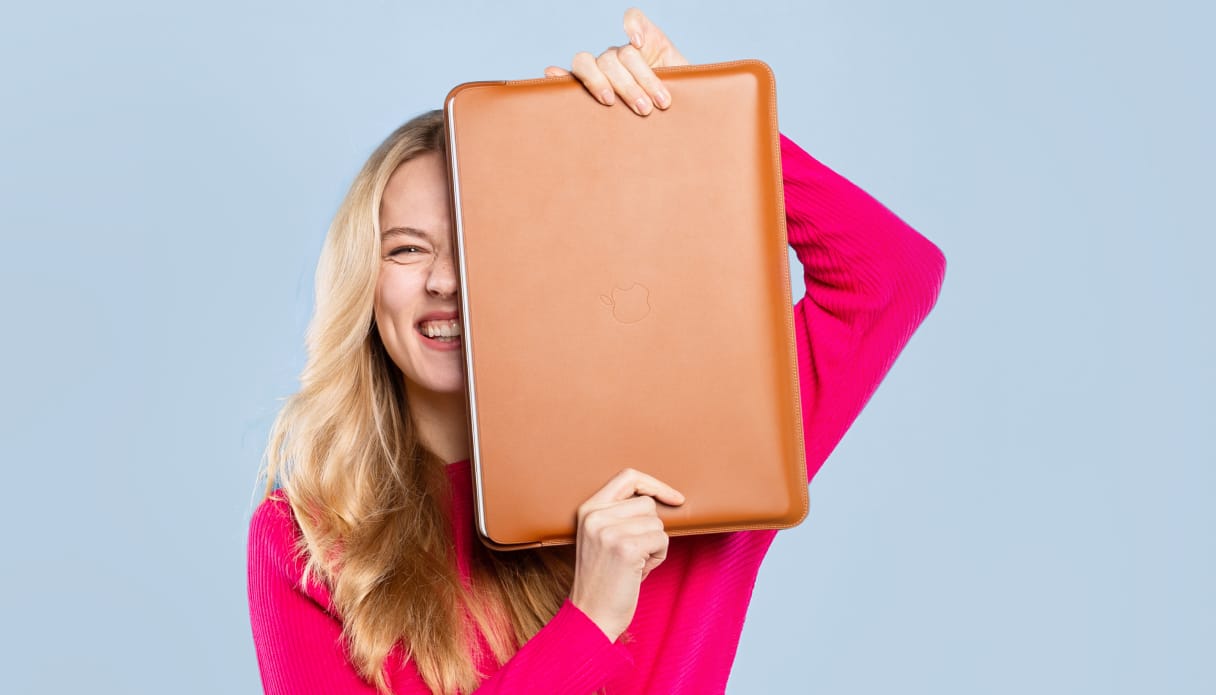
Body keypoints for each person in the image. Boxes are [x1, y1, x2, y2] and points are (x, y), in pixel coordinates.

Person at [247, 8, 946, 695]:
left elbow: (889, 277)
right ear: (362, 283)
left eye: (481, 244)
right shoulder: (302, 541)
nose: (446, 280)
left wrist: (703, 125)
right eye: (406, 248)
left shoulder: (698, 466)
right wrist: (589, 622)